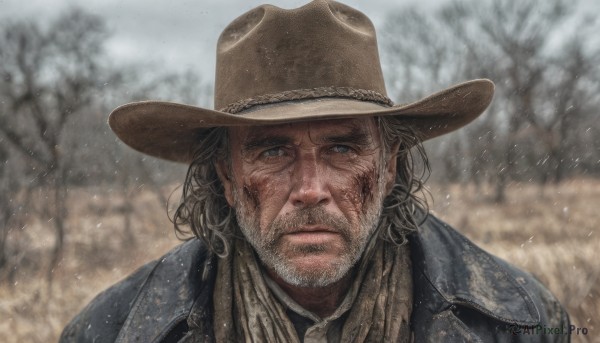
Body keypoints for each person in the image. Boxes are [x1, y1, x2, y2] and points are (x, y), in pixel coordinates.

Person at [60, 1, 569, 342]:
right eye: (272, 152)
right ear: (227, 175)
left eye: (343, 148)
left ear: (389, 165)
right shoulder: (115, 329)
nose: (310, 190)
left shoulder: (517, 321)